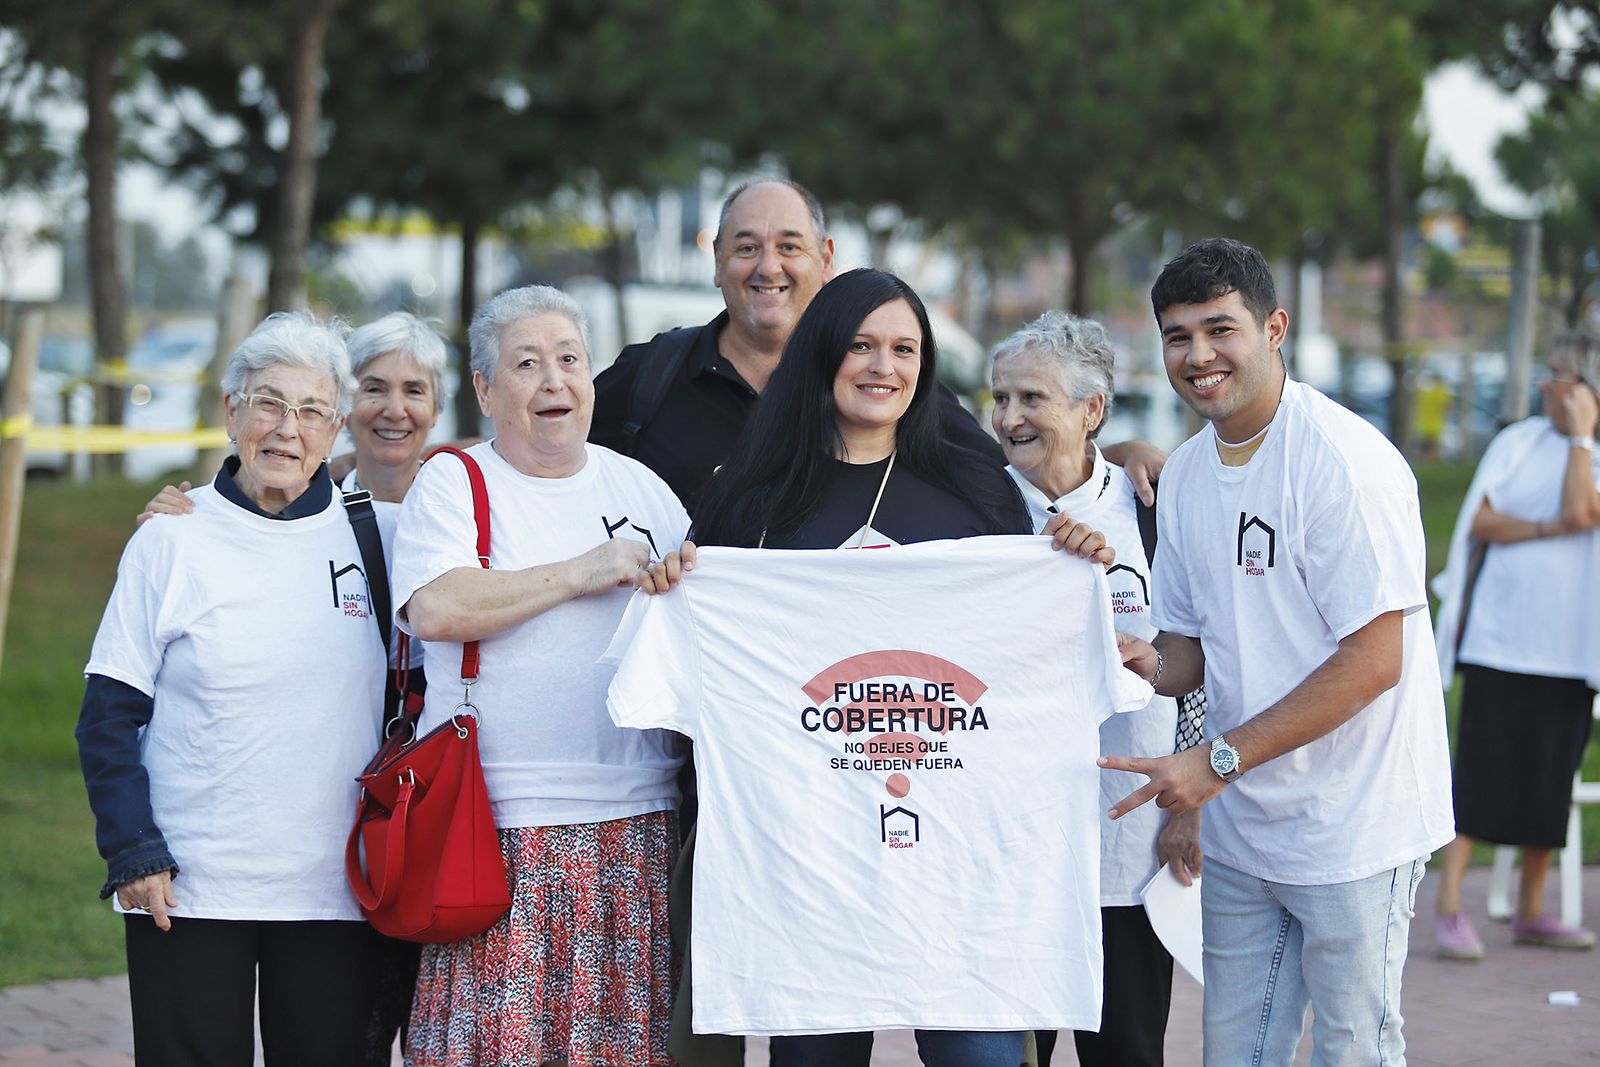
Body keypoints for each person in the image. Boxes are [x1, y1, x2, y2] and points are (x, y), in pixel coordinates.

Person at [689, 268, 1111, 1067]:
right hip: (805, 870)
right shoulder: (749, 502)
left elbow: (1025, 641)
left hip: (961, 876)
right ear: (823, 353)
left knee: (980, 1056)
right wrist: (682, 579)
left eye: (905, 348)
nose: (884, 366)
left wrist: (1069, 559)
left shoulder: (975, 487)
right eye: (862, 345)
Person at [1106, 239, 1454, 1066]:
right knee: (1238, 1052)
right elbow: (1192, 647)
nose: (1198, 356)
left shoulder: (1345, 465)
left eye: (1219, 329)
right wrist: (1139, 660)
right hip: (1246, 831)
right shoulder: (1188, 473)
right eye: (1177, 335)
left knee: (1353, 1050)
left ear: (1275, 329)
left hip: (1356, 825)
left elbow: (1374, 660)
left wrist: (1214, 763)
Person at [133, 311, 449, 1064]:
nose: (393, 407)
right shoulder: (199, 528)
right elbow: (115, 702)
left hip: (383, 846)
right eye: (374, 387)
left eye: (310, 410)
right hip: (220, 869)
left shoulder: (436, 518)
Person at [391, 284, 691, 1066]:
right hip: (498, 828)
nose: (554, 381)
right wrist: (582, 570)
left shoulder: (643, 488)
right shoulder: (456, 481)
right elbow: (437, 606)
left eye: (570, 359)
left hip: (633, 827)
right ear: (487, 389)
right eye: (527, 363)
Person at [75, 311, 384, 1065]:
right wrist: (134, 852)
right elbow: (107, 716)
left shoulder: (378, 537)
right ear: (231, 412)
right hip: (189, 888)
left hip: (332, 893)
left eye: (311, 410)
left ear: (336, 427)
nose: (287, 428)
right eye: (269, 403)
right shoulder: (170, 539)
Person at [589, 177, 1166, 512]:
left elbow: (1010, 468)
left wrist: (1110, 459)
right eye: (745, 248)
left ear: (826, 259)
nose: (769, 266)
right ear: (716, 260)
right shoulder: (650, 379)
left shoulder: (881, 386)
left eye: (790, 246)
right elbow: (543, 465)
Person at [989, 310, 1203, 1067]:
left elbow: (1205, 655)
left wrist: (1194, 798)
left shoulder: (1155, 508)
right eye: (1001, 398)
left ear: (1092, 410)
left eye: (1031, 399)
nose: (1010, 418)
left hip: (1128, 845)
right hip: (1010, 851)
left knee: (1128, 1052)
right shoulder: (975, 509)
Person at [1430, 332, 1600, 958]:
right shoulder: (1517, 442)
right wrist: (1546, 528)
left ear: (1586, 385)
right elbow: (1480, 519)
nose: (1543, 385)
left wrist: (1583, 437)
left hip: (1572, 647)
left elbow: (1584, 510)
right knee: (1481, 774)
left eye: (1556, 374)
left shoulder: (1591, 449)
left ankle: (1532, 911)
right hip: (1503, 642)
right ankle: (1449, 907)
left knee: (1550, 780)